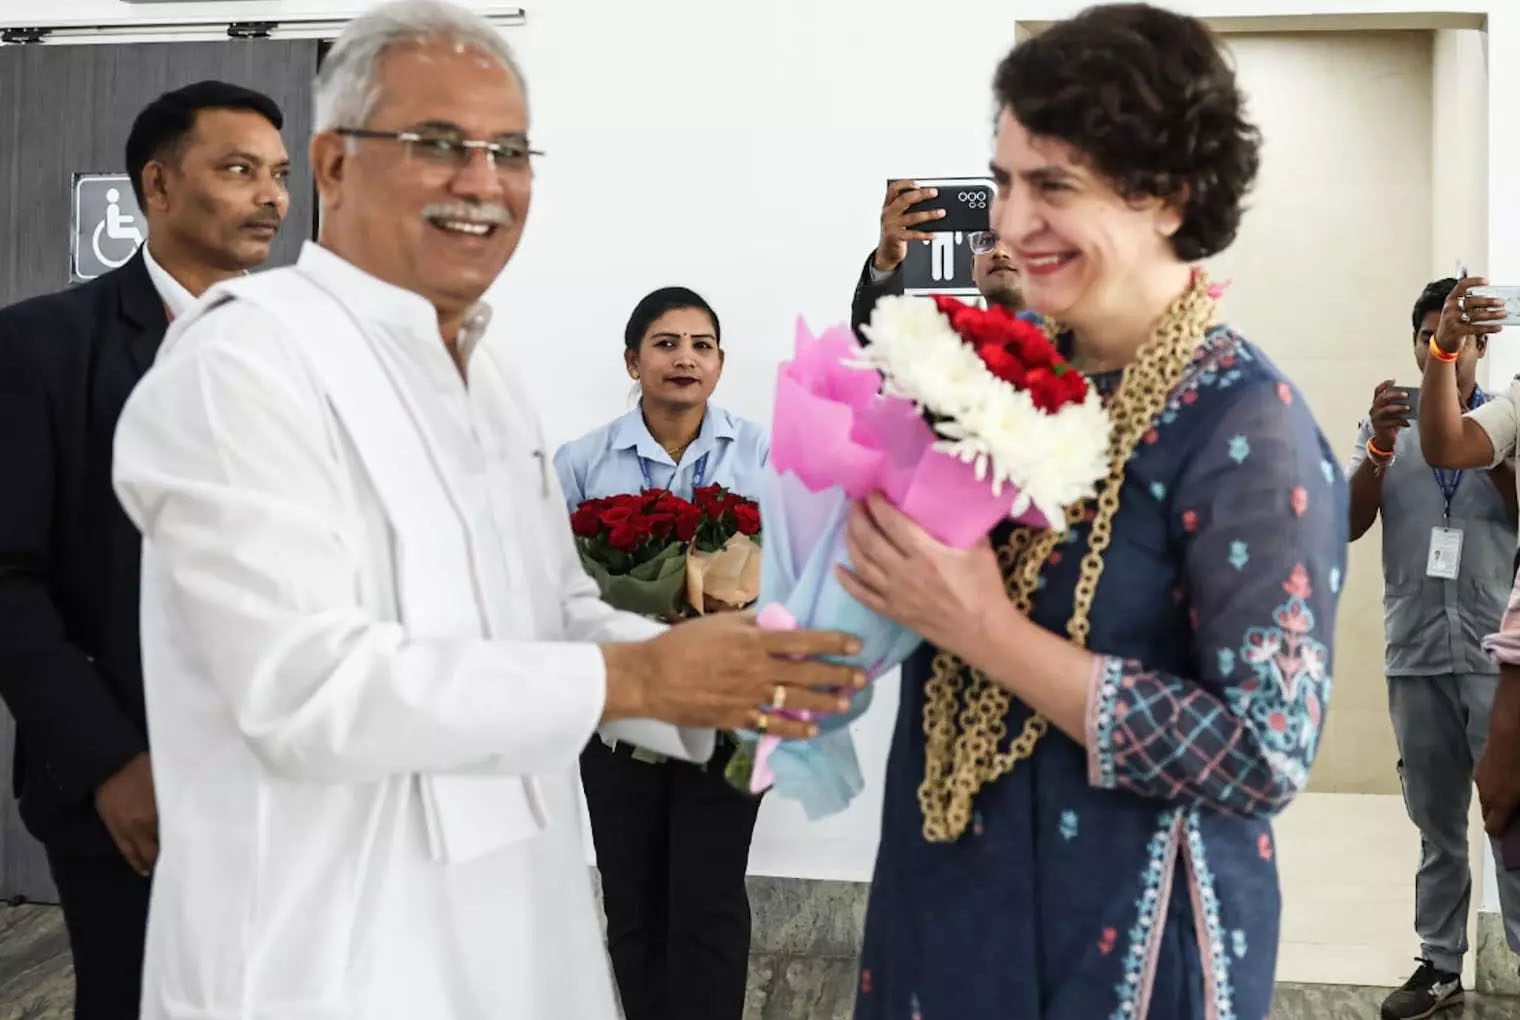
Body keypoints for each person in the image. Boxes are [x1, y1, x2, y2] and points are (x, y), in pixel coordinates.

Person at [109, 5, 858, 1019]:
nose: (482, 181)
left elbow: (551, 611)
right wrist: (636, 676)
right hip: (323, 956)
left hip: (516, 929)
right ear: (333, 164)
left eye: (509, 151)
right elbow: (304, 689)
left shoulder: (484, 379)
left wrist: (724, 678)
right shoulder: (242, 363)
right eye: (437, 144)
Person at [833, 6, 1347, 1018]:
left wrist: (983, 629)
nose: (1009, 222)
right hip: (949, 889)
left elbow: (1262, 752)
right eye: (1004, 182)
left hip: (1123, 933)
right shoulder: (1000, 375)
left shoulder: (1244, 425)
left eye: (1053, 187)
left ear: (1168, 196)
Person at [0, 80, 290, 1019]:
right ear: (157, 187)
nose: (272, 196)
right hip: (137, 787)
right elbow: (7, 579)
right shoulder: (44, 345)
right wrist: (109, 762)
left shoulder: (302, 351)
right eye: (239, 170)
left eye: (279, 173)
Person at [554, 286, 769, 1020]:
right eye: (666, 343)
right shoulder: (581, 462)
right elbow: (549, 580)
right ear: (632, 360)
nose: (685, 358)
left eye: (701, 345)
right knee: (632, 900)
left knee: (709, 900)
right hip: (620, 709)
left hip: (732, 710)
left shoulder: (763, 453)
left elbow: (801, 569)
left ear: (720, 363)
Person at [1347, 277, 1520, 1019]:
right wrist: (1379, 450)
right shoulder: (1389, 423)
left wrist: (1498, 457)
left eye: (1451, 337)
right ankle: (1440, 965)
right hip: (1415, 650)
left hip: (1495, 655)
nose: (1437, 349)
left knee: (1510, 814)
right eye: (1425, 337)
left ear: (1480, 344)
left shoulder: (1503, 422)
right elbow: (1346, 523)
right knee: (1436, 821)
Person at [850, 179, 1024, 331]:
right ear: (973, 270)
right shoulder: (944, 346)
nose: (1000, 252)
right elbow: (874, 343)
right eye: (986, 241)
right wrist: (886, 262)